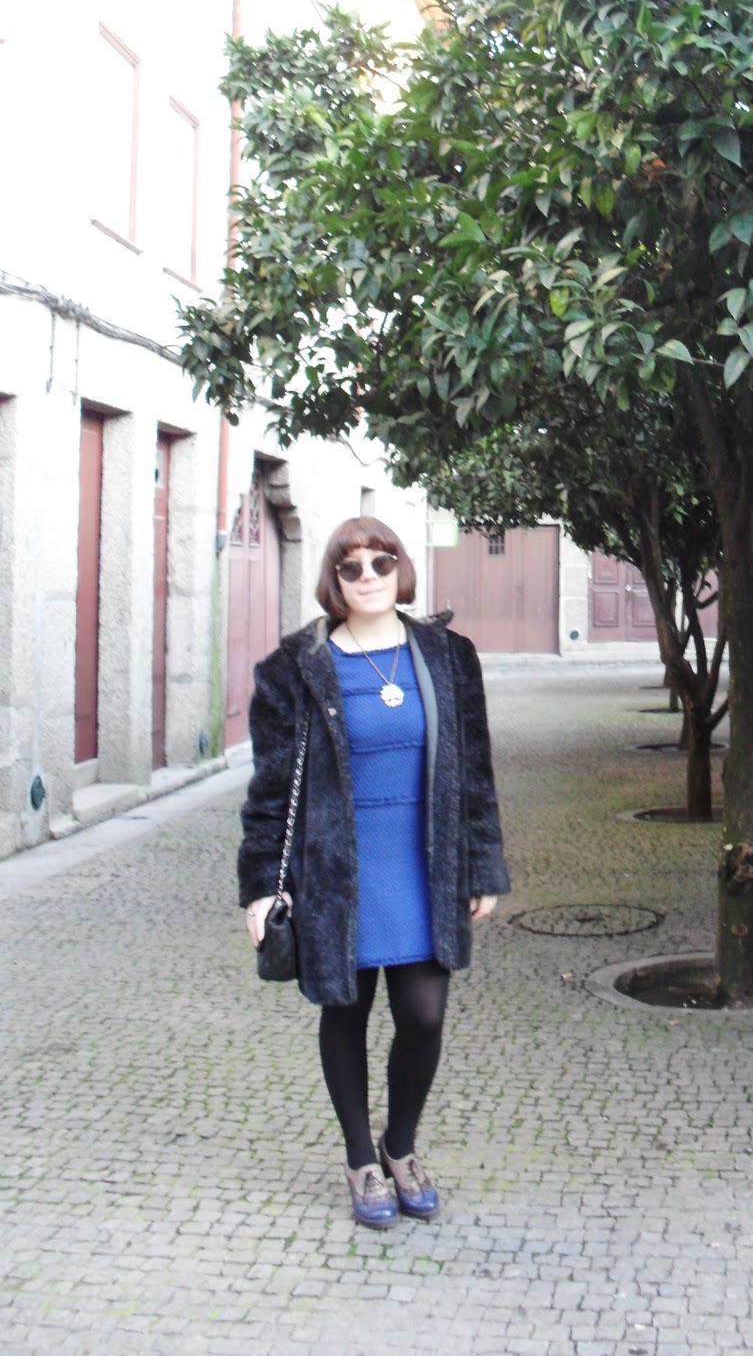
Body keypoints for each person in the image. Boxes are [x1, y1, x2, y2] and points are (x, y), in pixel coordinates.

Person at [240, 516, 509, 1229]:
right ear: (333, 579)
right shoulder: (294, 667)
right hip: (337, 869)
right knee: (346, 1012)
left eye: (380, 563)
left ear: (400, 571)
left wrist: (482, 863)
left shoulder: (448, 656)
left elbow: (474, 770)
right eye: (351, 567)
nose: (367, 577)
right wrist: (263, 886)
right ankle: (362, 1160)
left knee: (423, 1017)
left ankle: (401, 1144)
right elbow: (271, 790)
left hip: (425, 862)